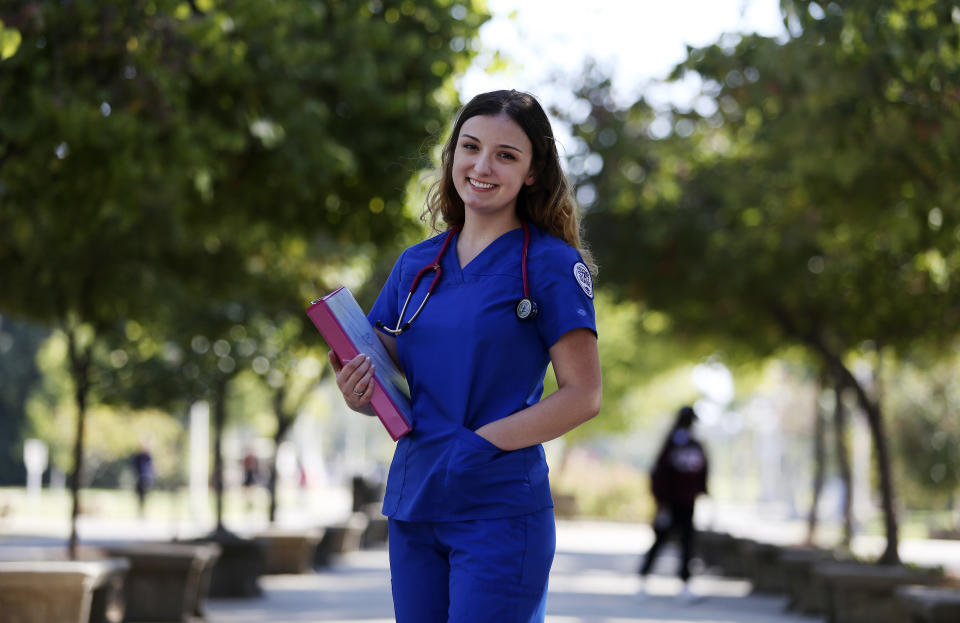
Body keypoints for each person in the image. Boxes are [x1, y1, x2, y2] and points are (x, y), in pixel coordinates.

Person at [329, 89, 602, 623]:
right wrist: (357, 393)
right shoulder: (416, 266)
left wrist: (479, 445)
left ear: (531, 172)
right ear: (452, 155)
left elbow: (583, 395)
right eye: (470, 147)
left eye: (506, 155)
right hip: (416, 500)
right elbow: (384, 377)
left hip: (498, 505)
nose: (482, 166)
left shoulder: (550, 265)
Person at [637, 405, 709, 600]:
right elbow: (659, 474)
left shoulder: (696, 445)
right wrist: (660, 501)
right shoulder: (671, 445)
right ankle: (643, 579)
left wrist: (703, 491)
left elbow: (702, 471)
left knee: (687, 543)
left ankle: (685, 584)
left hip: (687, 504)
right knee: (660, 540)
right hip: (668, 504)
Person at [131, 443, 155, 517]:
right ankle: (140, 511)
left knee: (147, 496)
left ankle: (145, 512)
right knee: (140, 496)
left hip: (147, 479)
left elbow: (150, 468)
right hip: (140, 479)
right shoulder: (138, 457)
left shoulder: (148, 457)